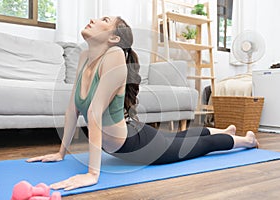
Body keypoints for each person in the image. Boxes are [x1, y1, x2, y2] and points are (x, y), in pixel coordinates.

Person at [27, 16, 259, 191]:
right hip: (133, 133)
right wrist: (61, 152)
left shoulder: (115, 55)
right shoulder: (85, 56)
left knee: (197, 148)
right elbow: (72, 110)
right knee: (178, 138)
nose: (93, 19)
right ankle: (224, 129)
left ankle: (245, 140)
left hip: (137, 144)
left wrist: (92, 174)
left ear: (114, 38)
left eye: (104, 20)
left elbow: (95, 114)